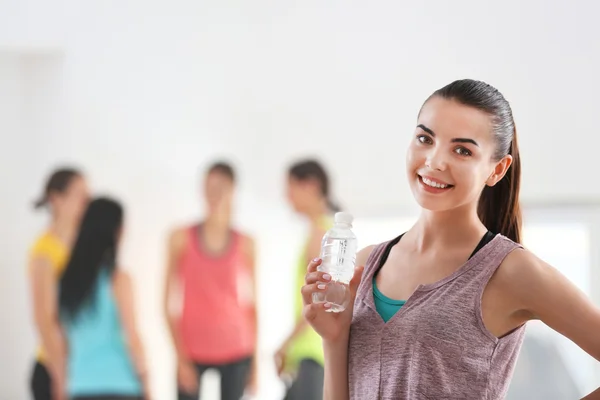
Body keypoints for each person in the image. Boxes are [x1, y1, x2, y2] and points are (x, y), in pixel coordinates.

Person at [301, 79, 600, 399]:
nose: (434, 161)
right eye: (424, 138)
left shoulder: (509, 270)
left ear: (497, 169)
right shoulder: (365, 265)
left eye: (462, 150)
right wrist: (334, 339)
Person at [164, 161, 258, 400]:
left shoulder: (246, 243)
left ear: (233, 191)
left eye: (220, 188)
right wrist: (180, 357)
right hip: (192, 350)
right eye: (208, 187)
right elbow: (166, 303)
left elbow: (252, 305)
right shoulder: (179, 238)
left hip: (237, 349)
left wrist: (255, 362)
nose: (212, 195)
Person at [58, 197, 148, 400]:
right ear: (115, 230)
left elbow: (64, 342)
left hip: (80, 386)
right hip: (121, 386)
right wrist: (147, 382)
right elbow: (132, 337)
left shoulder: (66, 283)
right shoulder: (118, 280)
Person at [275, 159, 339, 400]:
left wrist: (284, 346)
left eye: (290, 188)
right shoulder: (325, 231)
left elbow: (319, 302)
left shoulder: (320, 235)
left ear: (310, 186)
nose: (287, 197)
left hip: (313, 354)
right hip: (311, 353)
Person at [28, 168, 90, 400]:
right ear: (56, 199)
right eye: (80, 195)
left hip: (84, 367)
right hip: (56, 372)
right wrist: (61, 375)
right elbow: (44, 320)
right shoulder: (44, 252)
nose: (86, 202)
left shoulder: (84, 246)